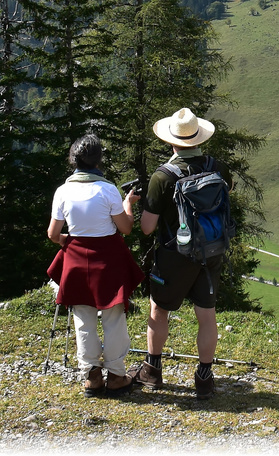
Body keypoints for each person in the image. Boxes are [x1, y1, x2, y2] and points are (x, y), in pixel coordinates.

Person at [129, 107, 226, 399]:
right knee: (206, 316)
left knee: (159, 310)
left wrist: (132, 205)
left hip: (174, 255)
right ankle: (205, 379)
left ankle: (152, 371)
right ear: (199, 138)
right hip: (210, 251)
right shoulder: (218, 167)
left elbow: (147, 228)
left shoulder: (163, 176)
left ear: (171, 141)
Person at [47, 133, 145, 397]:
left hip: (77, 259)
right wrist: (127, 205)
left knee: (83, 318)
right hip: (108, 258)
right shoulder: (108, 189)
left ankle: (91, 376)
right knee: (113, 317)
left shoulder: (63, 192)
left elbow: (53, 235)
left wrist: (70, 239)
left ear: (73, 160)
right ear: (98, 160)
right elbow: (125, 228)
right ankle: (115, 375)